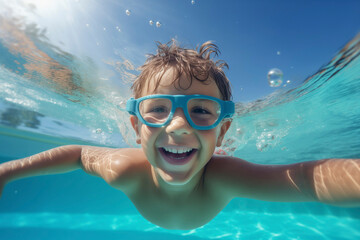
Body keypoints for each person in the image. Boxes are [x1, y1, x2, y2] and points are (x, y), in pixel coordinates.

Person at [0, 40, 359, 230]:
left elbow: (304, 179)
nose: (178, 125)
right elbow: (78, 154)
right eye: (157, 109)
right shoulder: (125, 169)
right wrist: (8, 170)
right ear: (136, 126)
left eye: (201, 110)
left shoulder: (223, 178)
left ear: (222, 132)